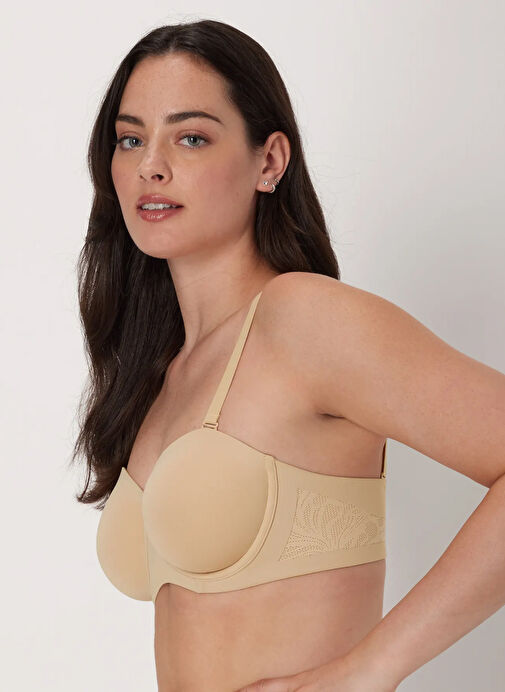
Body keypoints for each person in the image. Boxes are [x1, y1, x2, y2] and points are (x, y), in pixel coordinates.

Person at [71, 19, 505, 692]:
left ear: (269, 162)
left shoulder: (302, 320)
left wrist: (369, 670)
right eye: (131, 139)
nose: (150, 165)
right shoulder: (165, 370)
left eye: (190, 137)